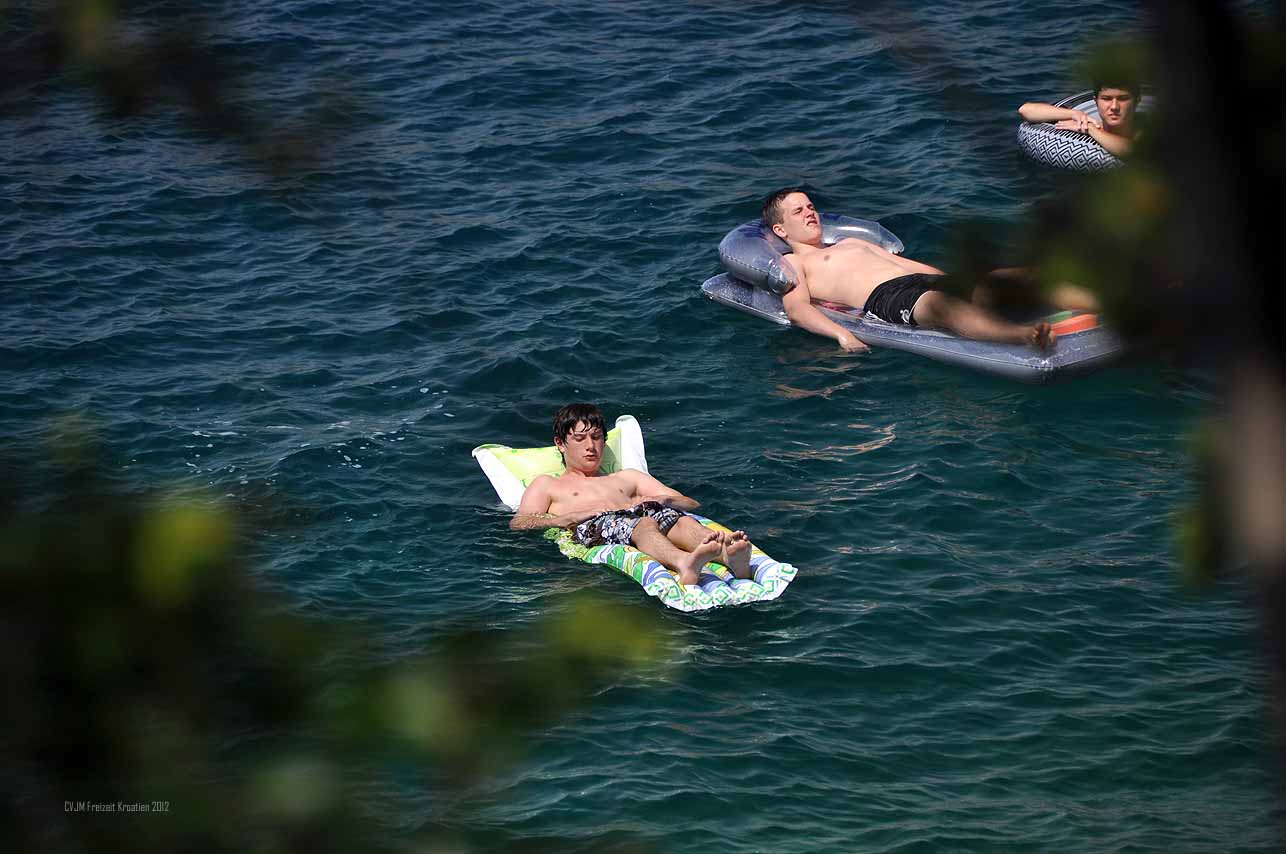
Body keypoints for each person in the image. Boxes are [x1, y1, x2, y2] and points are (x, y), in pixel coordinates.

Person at [762, 189, 1057, 352]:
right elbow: (797, 309)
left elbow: (907, 265)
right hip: (887, 297)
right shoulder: (794, 263)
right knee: (941, 305)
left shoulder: (851, 242)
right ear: (780, 229)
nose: (810, 213)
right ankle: (1022, 336)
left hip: (916, 281)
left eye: (811, 207)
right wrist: (842, 336)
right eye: (798, 211)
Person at [510, 403, 754, 586]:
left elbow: (690, 503)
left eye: (596, 438)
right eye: (580, 439)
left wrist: (660, 500)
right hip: (593, 525)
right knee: (645, 523)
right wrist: (566, 518)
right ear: (560, 443)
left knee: (676, 518)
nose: (590, 446)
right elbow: (520, 522)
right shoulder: (547, 484)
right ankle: (683, 563)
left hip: (638, 515)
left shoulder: (627, 477)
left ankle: (728, 555)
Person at [1018, 81, 1142, 158]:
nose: (1114, 106)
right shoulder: (1084, 122)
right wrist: (1073, 113)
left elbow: (1135, 153)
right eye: (1106, 99)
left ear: (1137, 100)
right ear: (1096, 101)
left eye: (1123, 98)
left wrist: (1091, 129)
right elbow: (1025, 110)